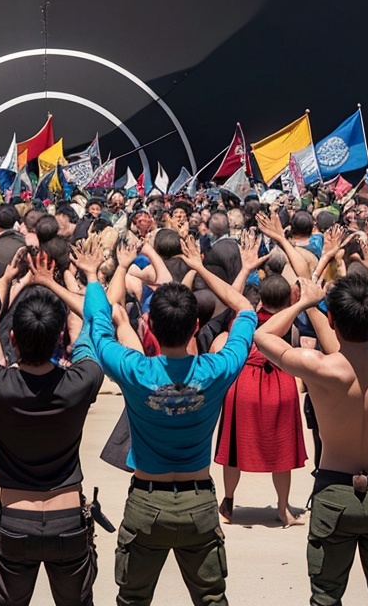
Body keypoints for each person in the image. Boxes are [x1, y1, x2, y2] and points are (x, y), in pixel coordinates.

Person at [81, 232, 257, 606]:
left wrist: (97, 272)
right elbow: (245, 311)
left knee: (132, 598)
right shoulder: (217, 368)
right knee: (211, 599)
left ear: (151, 328)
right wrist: (198, 268)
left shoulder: (134, 370)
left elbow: (98, 324)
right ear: (195, 326)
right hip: (199, 503)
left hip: (146, 502)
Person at [0, 231, 104, 606]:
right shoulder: (81, 381)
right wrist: (85, 279)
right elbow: (94, 322)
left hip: (14, 521)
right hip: (67, 521)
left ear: (13, 337)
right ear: (60, 337)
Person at [254, 237, 368, 606]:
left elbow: (263, 335)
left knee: (326, 597)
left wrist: (303, 301)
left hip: (334, 488)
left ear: (331, 320)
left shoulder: (321, 367)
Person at [213, 272, 307, 527]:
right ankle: (282, 507)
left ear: (261, 299)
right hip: (280, 383)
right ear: (288, 299)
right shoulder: (290, 322)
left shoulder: (244, 319)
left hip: (243, 383)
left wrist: (245, 268)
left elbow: (230, 297)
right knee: (283, 450)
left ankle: (228, 503)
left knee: (234, 449)